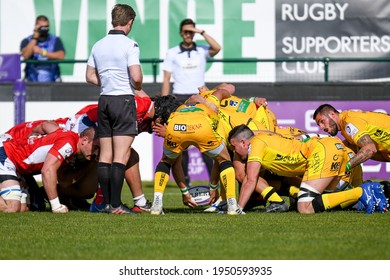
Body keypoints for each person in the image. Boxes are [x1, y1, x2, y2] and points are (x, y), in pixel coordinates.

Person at [228, 124, 387, 214]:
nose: (235, 152)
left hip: (322, 152)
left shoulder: (255, 145)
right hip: (329, 149)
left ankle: (362, 191)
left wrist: (237, 209)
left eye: (234, 147)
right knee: (328, 201)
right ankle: (380, 189)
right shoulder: (264, 138)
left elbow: (251, 179)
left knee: (305, 207)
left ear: (243, 142)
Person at [86, 4, 143, 214]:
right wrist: (134, 86)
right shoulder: (130, 45)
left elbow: (89, 76)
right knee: (121, 155)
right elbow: (136, 77)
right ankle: (117, 205)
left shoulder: (98, 45)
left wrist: (107, 81)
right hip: (123, 101)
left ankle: (107, 204)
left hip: (105, 100)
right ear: (129, 22)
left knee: (105, 155)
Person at [150, 89, 244, 215]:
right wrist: (213, 188)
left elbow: (176, 166)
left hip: (176, 127)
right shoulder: (209, 104)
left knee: (166, 161)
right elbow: (223, 90)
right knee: (224, 160)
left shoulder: (178, 112)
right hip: (203, 125)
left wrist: (185, 192)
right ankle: (232, 205)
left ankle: (157, 204)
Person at [161, 18, 221, 186]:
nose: (188, 34)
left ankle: (213, 181)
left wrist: (201, 32)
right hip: (179, 98)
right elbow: (166, 78)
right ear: (181, 33)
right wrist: (165, 104)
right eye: (186, 31)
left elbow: (217, 48)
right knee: (181, 141)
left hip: (199, 98)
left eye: (191, 31)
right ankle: (184, 182)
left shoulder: (201, 50)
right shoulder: (172, 52)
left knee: (206, 138)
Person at [0, 127, 96, 213]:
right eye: (95, 147)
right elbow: (47, 170)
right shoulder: (69, 143)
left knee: (23, 209)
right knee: (12, 207)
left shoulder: (72, 144)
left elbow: (64, 181)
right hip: (6, 155)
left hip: (18, 166)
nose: (96, 152)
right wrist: (56, 206)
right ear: (84, 140)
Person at [313, 104, 390, 170]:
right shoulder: (346, 125)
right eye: (319, 125)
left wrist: (343, 168)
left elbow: (370, 149)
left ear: (332, 114)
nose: (321, 127)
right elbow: (342, 150)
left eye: (322, 121)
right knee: (350, 149)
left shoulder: (349, 122)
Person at [20, 15, 65, 82]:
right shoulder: (27, 41)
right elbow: (25, 56)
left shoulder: (55, 40)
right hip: (31, 80)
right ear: (36, 26)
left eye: (46, 27)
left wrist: (42, 52)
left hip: (52, 80)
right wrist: (34, 38)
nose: (44, 29)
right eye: (42, 27)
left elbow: (61, 56)